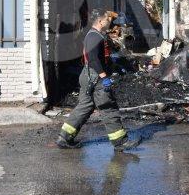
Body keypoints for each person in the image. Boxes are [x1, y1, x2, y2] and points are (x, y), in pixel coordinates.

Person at [56, 9, 141, 150]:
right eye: (108, 20)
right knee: (108, 108)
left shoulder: (92, 35)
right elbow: (93, 59)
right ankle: (120, 142)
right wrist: (104, 77)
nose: (110, 23)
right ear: (101, 21)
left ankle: (64, 137)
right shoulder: (95, 37)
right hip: (96, 77)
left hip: (88, 75)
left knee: (84, 107)